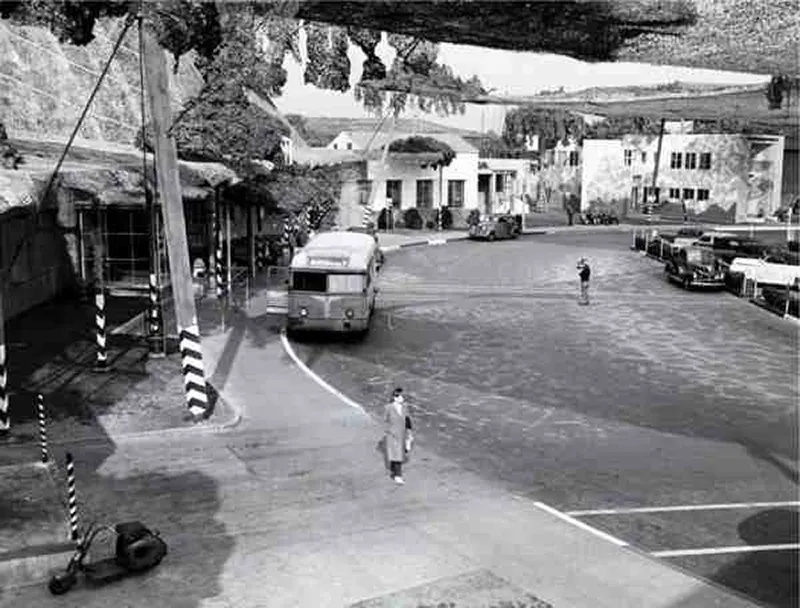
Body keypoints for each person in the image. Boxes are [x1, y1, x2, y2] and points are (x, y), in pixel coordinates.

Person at [383, 387, 412, 484]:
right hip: (393, 434)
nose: (403, 397)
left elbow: (408, 420)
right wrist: (389, 431)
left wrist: (409, 433)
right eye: (400, 396)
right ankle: (397, 476)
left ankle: (393, 469)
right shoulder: (388, 408)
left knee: (398, 454)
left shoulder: (405, 406)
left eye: (403, 395)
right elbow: (386, 420)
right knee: (397, 455)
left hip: (402, 434)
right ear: (395, 397)